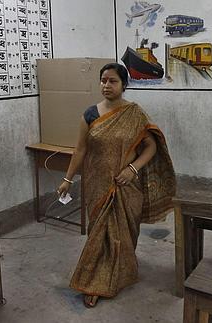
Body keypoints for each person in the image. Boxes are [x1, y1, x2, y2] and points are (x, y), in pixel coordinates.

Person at [57, 63, 176, 308]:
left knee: (124, 233)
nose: (107, 86)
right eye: (103, 80)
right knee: (99, 235)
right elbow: (80, 150)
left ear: (124, 85)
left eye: (113, 81)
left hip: (126, 185)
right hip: (97, 184)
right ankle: (94, 283)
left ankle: (122, 270)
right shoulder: (90, 114)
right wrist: (67, 179)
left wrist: (132, 169)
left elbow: (152, 147)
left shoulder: (134, 113)